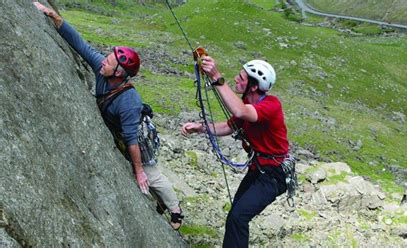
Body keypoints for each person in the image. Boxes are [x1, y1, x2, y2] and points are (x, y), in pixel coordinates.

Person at [33, 1, 183, 230]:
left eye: (109, 61)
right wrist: (54, 16)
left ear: (119, 73)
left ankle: (175, 210)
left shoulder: (128, 101)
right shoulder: (103, 70)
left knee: (150, 176)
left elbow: (132, 140)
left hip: (138, 139)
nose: (103, 60)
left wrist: (139, 170)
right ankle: (160, 202)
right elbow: (80, 45)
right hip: (122, 131)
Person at [181, 56, 289, 247]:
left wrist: (216, 76)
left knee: (238, 217)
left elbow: (240, 112)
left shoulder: (271, 105)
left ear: (254, 86)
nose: (236, 79)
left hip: (273, 175)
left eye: (241, 78)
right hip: (259, 170)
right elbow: (228, 126)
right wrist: (201, 128)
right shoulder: (247, 101)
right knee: (235, 215)